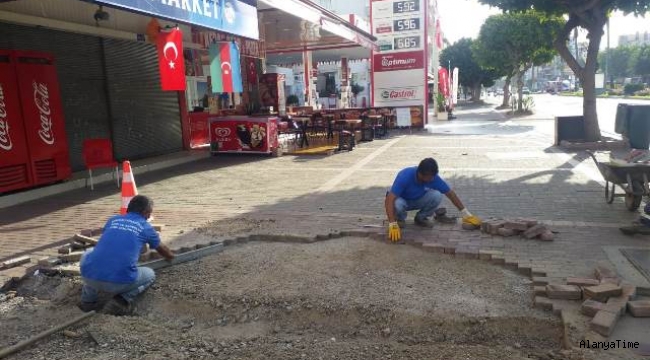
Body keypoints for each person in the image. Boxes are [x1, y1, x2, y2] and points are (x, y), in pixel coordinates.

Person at [79, 195, 174, 315]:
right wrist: (171, 257)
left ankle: (87, 301)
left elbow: (112, 241)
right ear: (145, 213)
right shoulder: (145, 227)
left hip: (88, 277)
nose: (150, 216)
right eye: (149, 213)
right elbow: (163, 250)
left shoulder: (113, 220)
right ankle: (120, 301)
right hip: (118, 283)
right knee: (150, 274)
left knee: (89, 255)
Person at [385, 158, 482, 242]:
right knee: (397, 203)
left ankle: (421, 218)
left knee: (437, 195)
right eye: (429, 177)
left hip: (418, 199)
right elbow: (389, 199)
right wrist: (392, 223)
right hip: (403, 201)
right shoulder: (405, 176)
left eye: (433, 176)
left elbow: (451, 194)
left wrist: (466, 213)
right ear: (420, 174)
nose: (432, 179)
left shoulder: (433, 178)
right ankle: (399, 219)